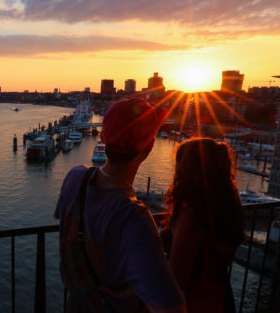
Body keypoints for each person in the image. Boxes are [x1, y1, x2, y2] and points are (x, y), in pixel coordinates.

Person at [55, 98, 186, 313]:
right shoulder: (135, 218)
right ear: (150, 146)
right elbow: (172, 308)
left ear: (103, 138)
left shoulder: (74, 178)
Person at [162, 138, 245, 313]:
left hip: (193, 302)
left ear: (187, 169)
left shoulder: (193, 214)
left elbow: (176, 277)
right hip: (220, 297)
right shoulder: (228, 205)